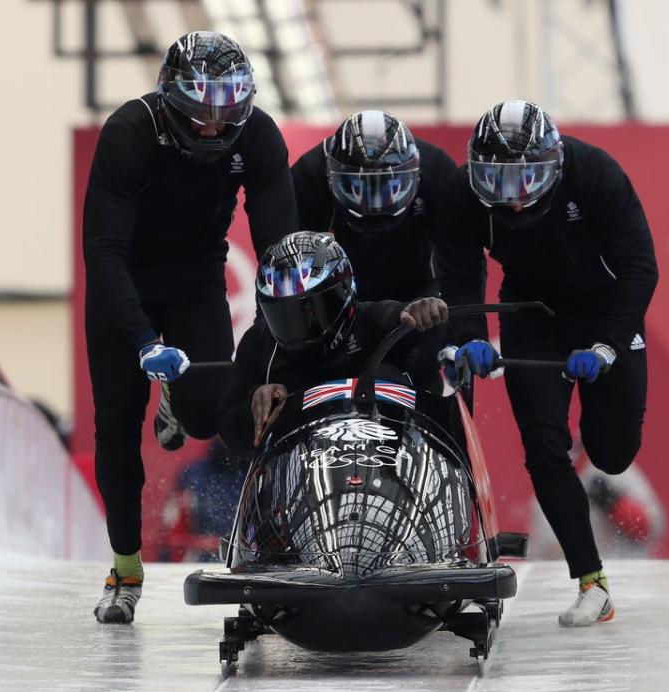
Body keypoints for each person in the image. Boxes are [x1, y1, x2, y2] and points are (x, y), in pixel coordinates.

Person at [84, 31, 298, 624]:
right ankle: (125, 570)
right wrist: (142, 341)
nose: (211, 125)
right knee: (118, 427)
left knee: (210, 416)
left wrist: (288, 330)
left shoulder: (256, 135)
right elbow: (102, 252)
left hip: (197, 277)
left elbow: (280, 247)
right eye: (200, 110)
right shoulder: (129, 132)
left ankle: (178, 402)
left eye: (225, 109)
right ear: (171, 98)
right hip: (125, 279)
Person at [433, 100, 658, 627]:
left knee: (612, 453)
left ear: (552, 166)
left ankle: (605, 433)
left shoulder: (595, 173)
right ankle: (592, 582)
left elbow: (640, 267)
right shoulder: (463, 196)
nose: (513, 200)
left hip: (606, 311)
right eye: (498, 182)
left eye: (526, 179)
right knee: (543, 444)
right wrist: (468, 336)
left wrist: (607, 344)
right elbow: (458, 277)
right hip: (533, 314)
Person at [216, 231, 447, 456]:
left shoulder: (371, 320)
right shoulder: (259, 344)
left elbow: (398, 318)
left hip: (385, 468)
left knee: (385, 375)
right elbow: (229, 426)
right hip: (301, 477)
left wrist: (421, 311)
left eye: (310, 310)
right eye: (284, 314)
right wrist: (252, 406)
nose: (298, 325)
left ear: (341, 293)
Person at [290, 110, 457, 301]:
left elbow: (459, 258)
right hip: (339, 289)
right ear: (329, 176)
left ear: (416, 175)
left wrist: (446, 307)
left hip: (417, 288)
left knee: (432, 316)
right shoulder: (308, 176)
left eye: (387, 189)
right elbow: (290, 261)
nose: (375, 206)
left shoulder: (437, 171)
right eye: (360, 189)